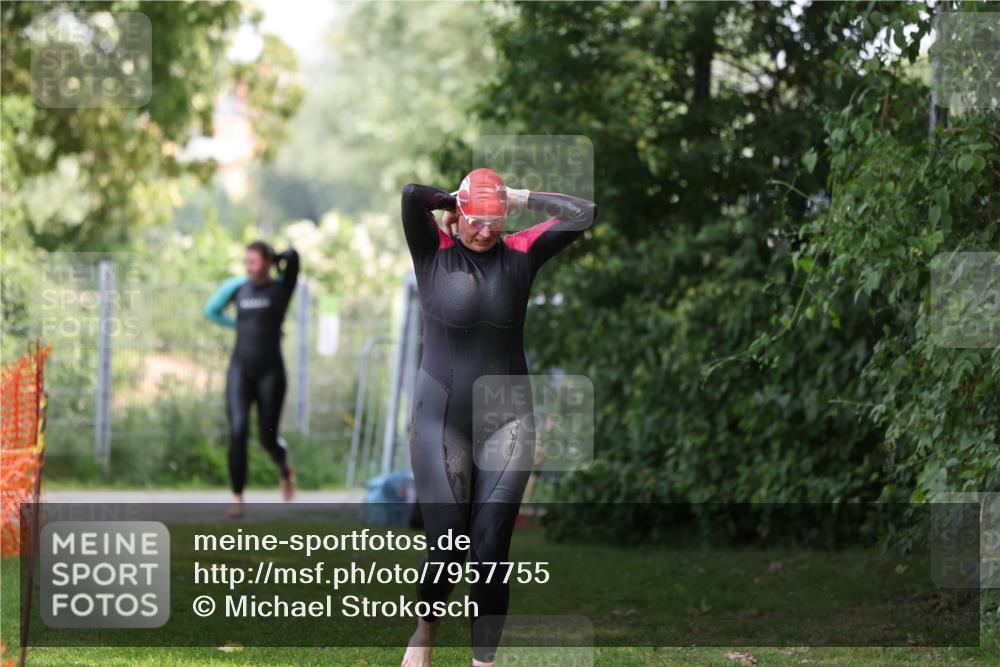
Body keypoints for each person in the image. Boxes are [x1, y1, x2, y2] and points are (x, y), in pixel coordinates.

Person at [399, 169, 597, 667]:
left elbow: (584, 214)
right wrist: (459, 196)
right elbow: (410, 196)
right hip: (438, 418)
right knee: (447, 546)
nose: (484, 231)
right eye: (475, 220)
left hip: (507, 418)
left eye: (494, 220)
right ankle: (425, 629)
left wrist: (516, 195)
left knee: (489, 547)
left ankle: (482, 663)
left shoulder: (522, 253)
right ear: (458, 215)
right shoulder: (433, 251)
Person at [204, 240, 300, 519]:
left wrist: (278, 257)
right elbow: (211, 310)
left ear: (268, 263)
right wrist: (238, 325)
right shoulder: (238, 288)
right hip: (240, 371)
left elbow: (294, 258)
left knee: (267, 439)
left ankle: (285, 468)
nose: (249, 267)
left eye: (254, 262)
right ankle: (237, 497)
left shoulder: (282, 288)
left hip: (271, 374)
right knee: (237, 429)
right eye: (246, 262)